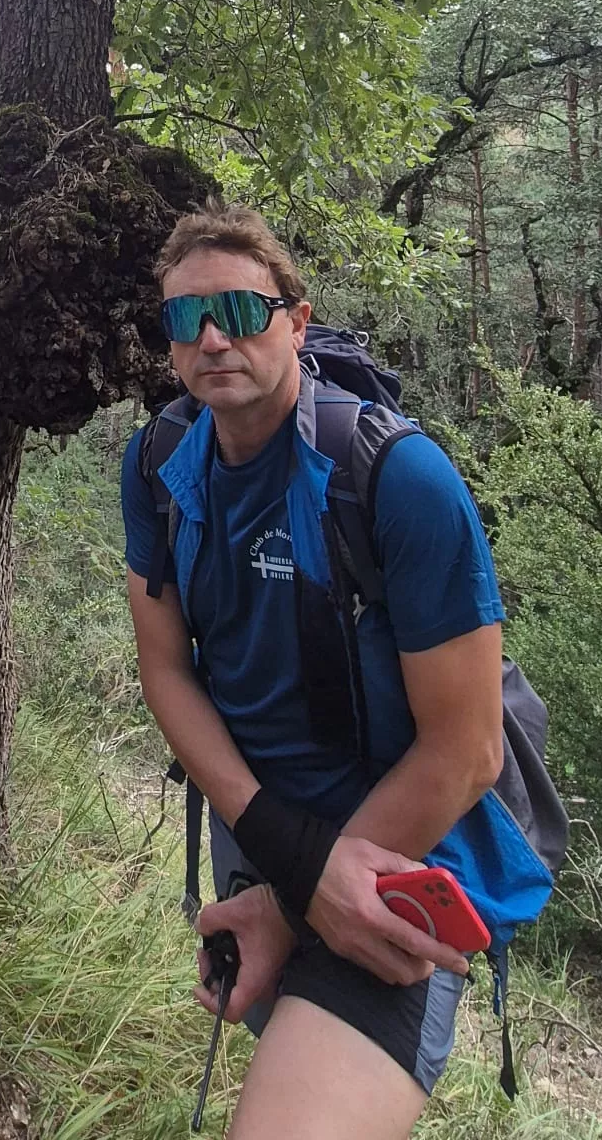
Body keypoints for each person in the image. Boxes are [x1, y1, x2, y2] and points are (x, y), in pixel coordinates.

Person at [122, 204, 509, 1140]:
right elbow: (167, 670)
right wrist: (286, 872)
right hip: (259, 833)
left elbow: (468, 751)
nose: (212, 337)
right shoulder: (160, 462)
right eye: (185, 319)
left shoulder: (399, 478)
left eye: (242, 311)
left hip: (394, 855)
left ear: (297, 320)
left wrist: (295, 897)